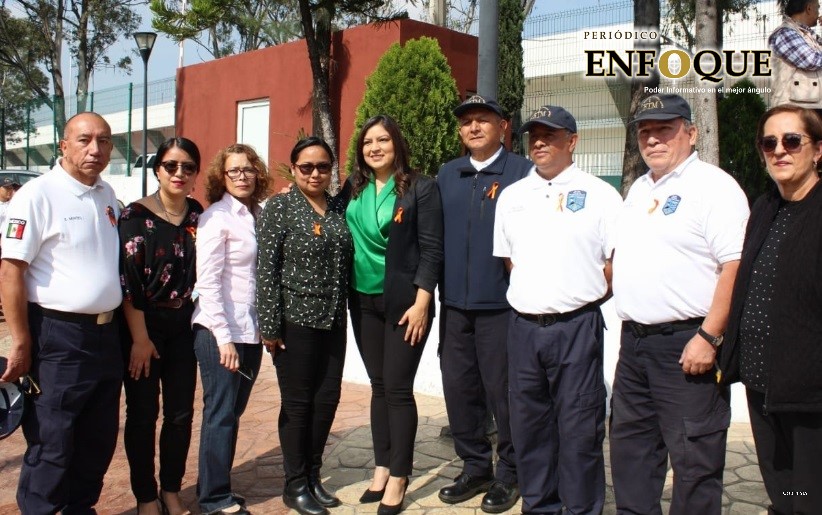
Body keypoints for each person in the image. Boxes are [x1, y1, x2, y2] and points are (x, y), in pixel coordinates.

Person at [609, 94, 750, 515]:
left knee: (695, 462)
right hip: (634, 346)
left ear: (691, 133)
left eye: (663, 129)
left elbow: (735, 265)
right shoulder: (638, 188)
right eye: (644, 131)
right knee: (632, 454)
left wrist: (709, 336)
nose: (652, 139)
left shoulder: (713, 187)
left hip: (687, 346)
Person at [493, 106, 622, 514]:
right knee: (529, 428)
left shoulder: (601, 194)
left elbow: (615, 262)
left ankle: (581, 508)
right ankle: (540, 505)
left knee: (580, 428)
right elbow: (509, 261)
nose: (540, 143)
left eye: (550, 135)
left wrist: (572, 295)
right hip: (524, 329)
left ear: (573, 140)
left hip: (576, 329)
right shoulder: (512, 196)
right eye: (534, 135)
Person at [0, 112, 123, 513]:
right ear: (63, 145)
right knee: (53, 442)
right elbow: (10, 271)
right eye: (85, 139)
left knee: (97, 441)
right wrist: (21, 342)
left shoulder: (107, 194)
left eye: (103, 141)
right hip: (58, 336)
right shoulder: (37, 195)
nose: (95, 149)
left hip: (106, 337)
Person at [719, 105, 822, 515]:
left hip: (810, 393)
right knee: (783, 490)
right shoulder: (765, 207)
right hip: (764, 385)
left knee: (811, 494)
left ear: (818, 151)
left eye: (792, 140)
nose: (779, 150)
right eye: (769, 142)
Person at [436, 95, 531, 513]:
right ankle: (475, 467)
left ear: (503, 126)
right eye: (466, 122)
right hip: (454, 305)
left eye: (482, 120)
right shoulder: (446, 174)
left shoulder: (522, 173)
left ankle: (510, 473)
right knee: (460, 391)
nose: (473, 128)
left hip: (502, 306)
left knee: (504, 395)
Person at [346, 114, 443, 515]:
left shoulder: (420, 187)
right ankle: (382, 466)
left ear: (396, 144)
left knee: (399, 389)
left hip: (405, 303)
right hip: (362, 298)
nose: (375, 147)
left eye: (383, 139)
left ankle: (400, 475)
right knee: (379, 385)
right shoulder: (355, 188)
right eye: (368, 141)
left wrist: (423, 301)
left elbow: (433, 248)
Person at [257, 137, 352, 515]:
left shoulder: (338, 207)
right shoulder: (279, 208)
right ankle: (294, 483)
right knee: (298, 406)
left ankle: (313, 475)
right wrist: (269, 326)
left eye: (323, 167)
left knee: (327, 400)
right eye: (307, 167)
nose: (315, 173)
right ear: (293, 169)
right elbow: (266, 270)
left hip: (334, 319)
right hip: (295, 322)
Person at [119, 137, 203, 515]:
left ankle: (171, 489)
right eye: (171, 165)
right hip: (142, 324)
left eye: (187, 167)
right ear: (157, 170)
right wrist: (139, 338)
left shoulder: (197, 215)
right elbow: (128, 282)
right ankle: (145, 496)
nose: (179, 173)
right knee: (142, 415)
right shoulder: (135, 216)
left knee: (180, 413)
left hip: (184, 325)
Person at [191, 143, 270, 515]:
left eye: (248, 169)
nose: (242, 176)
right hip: (220, 332)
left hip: (249, 330)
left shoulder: (256, 215)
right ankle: (213, 499)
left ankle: (218, 487)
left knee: (231, 413)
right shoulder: (217, 218)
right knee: (220, 412)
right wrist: (223, 339)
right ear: (221, 178)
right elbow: (207, 284)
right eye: (234, 171)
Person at [769, 0, 822, 110]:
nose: (819, 13)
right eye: (818, 8)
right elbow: (811, 60)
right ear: (809, 8)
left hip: (809, 106)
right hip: (793, 109)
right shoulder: (785, 33)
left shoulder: (809, 36)